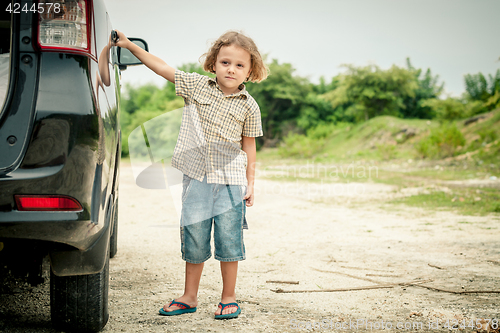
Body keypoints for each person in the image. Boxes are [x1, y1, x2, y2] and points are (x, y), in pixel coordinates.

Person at [113, 30, 268, 319]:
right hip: (196, 178)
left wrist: (251, 183)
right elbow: (161, 67)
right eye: (225, 62)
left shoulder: (249, 106)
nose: (231, 69)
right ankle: (189, 296)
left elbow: (249, 146)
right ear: (213, 63)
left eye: (239, 65)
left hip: (231, 183)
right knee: (194, 238)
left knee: (229, 240)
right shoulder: (197, 86)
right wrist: (129, 45)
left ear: (250, 70)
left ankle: (228, 297)